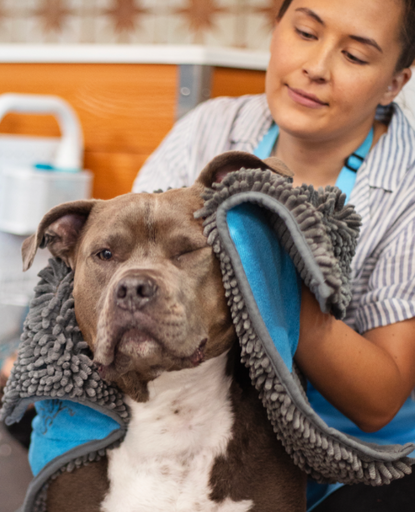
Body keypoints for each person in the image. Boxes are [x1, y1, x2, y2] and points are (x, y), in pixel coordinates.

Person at [132, 0, 415, 510]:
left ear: (395, 82)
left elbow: (379, 402)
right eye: (306, 32)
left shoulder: (406, 187)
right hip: (205, 420)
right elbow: (131, 258)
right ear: (278, 27)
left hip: (352, 457)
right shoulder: (211, 129)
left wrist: (268, 271)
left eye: (354, 56)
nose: (317, 67)